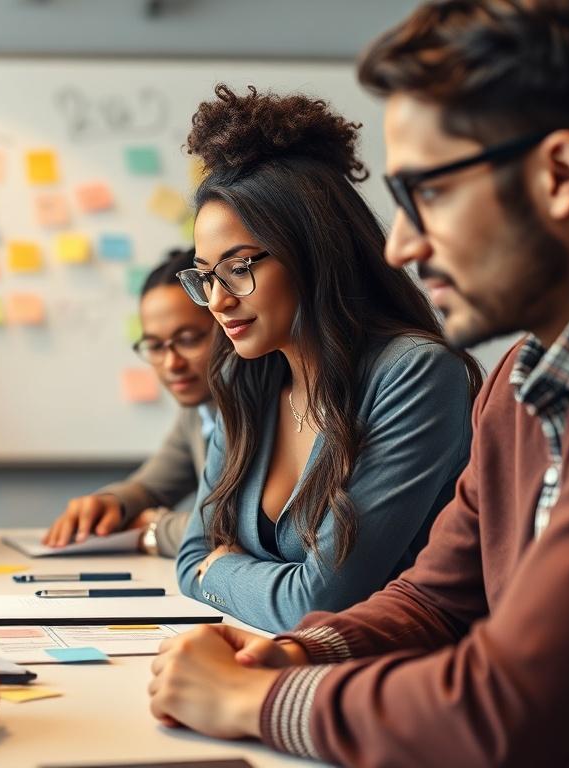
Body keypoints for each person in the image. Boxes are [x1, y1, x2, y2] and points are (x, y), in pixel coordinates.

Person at [148, 1, 569, 765]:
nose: (399, 247)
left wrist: (254, 700)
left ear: (560, 174)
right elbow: (436, 598)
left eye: (427, 193)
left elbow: (513, 703)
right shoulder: (517, 386)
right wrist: (301, 654)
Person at [171, 85, 481, 632]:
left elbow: (320, 604)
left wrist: (220, 571)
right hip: (266, 666)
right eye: (205, 275)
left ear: (314, 250)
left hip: (383, 687)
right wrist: (217, 570)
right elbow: (191, 557)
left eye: (239, 267)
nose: (218, 300)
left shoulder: (414, 374)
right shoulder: (246, 378)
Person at [43, 248, 217, 557]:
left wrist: (153, 529)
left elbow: (233, 530)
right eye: (154, 346)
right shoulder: (198, 411)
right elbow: (150, 486)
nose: (171, 362)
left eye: (189, 339)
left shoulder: (263, 407)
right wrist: (110, 502)